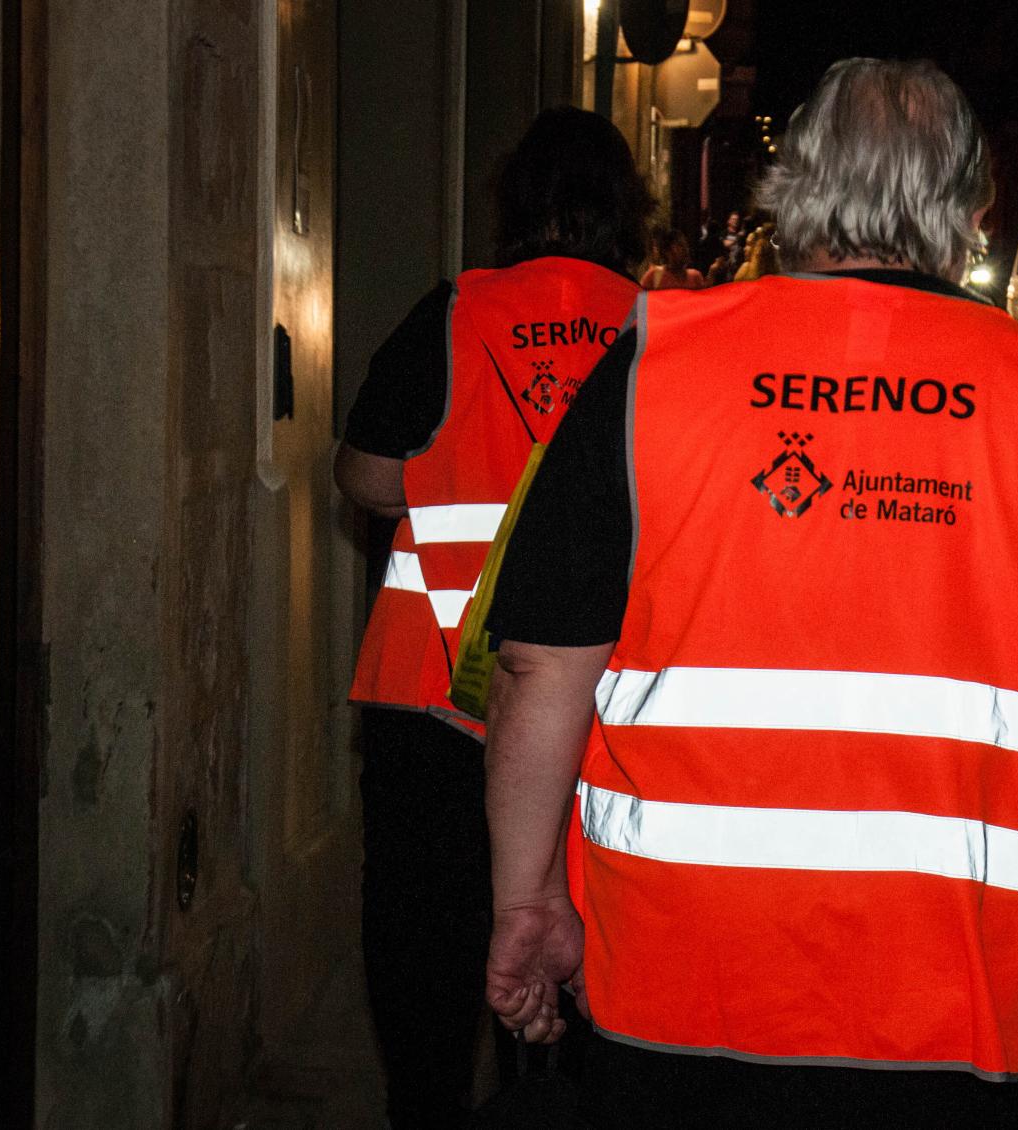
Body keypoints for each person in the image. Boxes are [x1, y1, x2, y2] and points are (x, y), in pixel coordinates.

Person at [481, 58, 1018, 1128]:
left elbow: (536, 665)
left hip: (680, 996)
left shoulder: (653, 366)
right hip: (967, 1011)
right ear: (974, 209)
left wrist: (526, 901)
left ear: (788, 190)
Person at [333, 106, 650, 1129]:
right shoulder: (658, 334)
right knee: (568, 963)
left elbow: (368, 476)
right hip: (595, 718)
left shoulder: (454, 309)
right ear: (625, 215)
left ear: (514, 208)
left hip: (429, 706)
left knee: (424, 959)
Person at [640, 228, 705, 290]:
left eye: (685, 245)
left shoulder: (695, 277)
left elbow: (703, 300)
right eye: (680, 245)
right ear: (667, 251)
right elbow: (640, 300)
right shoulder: (654, 275)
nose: (686, 250)